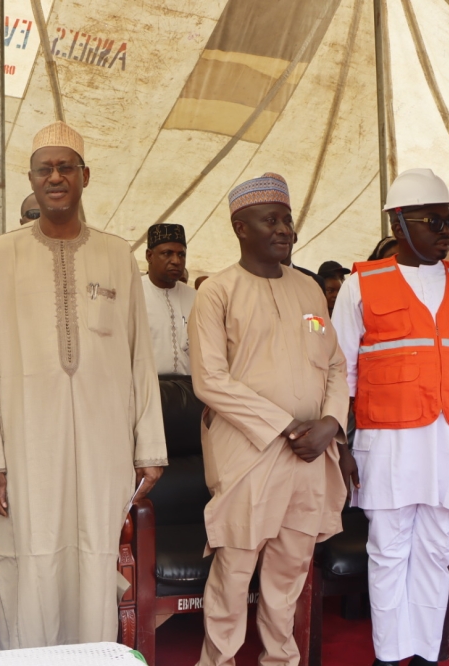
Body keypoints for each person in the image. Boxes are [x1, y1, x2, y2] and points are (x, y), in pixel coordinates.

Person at [0, 121, 167, 648]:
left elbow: (141, 357)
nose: (55, 176)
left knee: (96, 556)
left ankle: (92, 656)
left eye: (65, 166)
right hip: (27, 442)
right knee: (31, 558)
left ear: (85, 176)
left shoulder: (118, 255)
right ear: (31, 179)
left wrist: (150, 447)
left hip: (104, 442)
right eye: (45, 168)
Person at [331, 168, 449, 666]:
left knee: (437, 552)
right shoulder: (359, 286)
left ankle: (426, 654)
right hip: (385, 444)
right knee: (387, 552)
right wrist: (341, 448)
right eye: (432, 220)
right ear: (397, 222)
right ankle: (390, 655)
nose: (444, 231)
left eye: (448, 220)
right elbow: (338, 373)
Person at [189, 172, 349, 666]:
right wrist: (285, 425)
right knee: (235, 570)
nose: (285, 230)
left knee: (289, 573)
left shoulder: (310, 292)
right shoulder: (217, 292)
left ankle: (281, 662)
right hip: (250, 450)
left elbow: (337, 364)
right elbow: (210, 380)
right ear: (240, 227)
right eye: (270, 220)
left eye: (287, 220)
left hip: (311, 454)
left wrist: (329, 423)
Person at [143, 223, 196, 375]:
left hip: (189, 389)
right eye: (167, 253)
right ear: (149, 256)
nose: (176, 261)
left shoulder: (196, 297)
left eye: (181, 254)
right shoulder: (133, 294)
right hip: (146, 387)